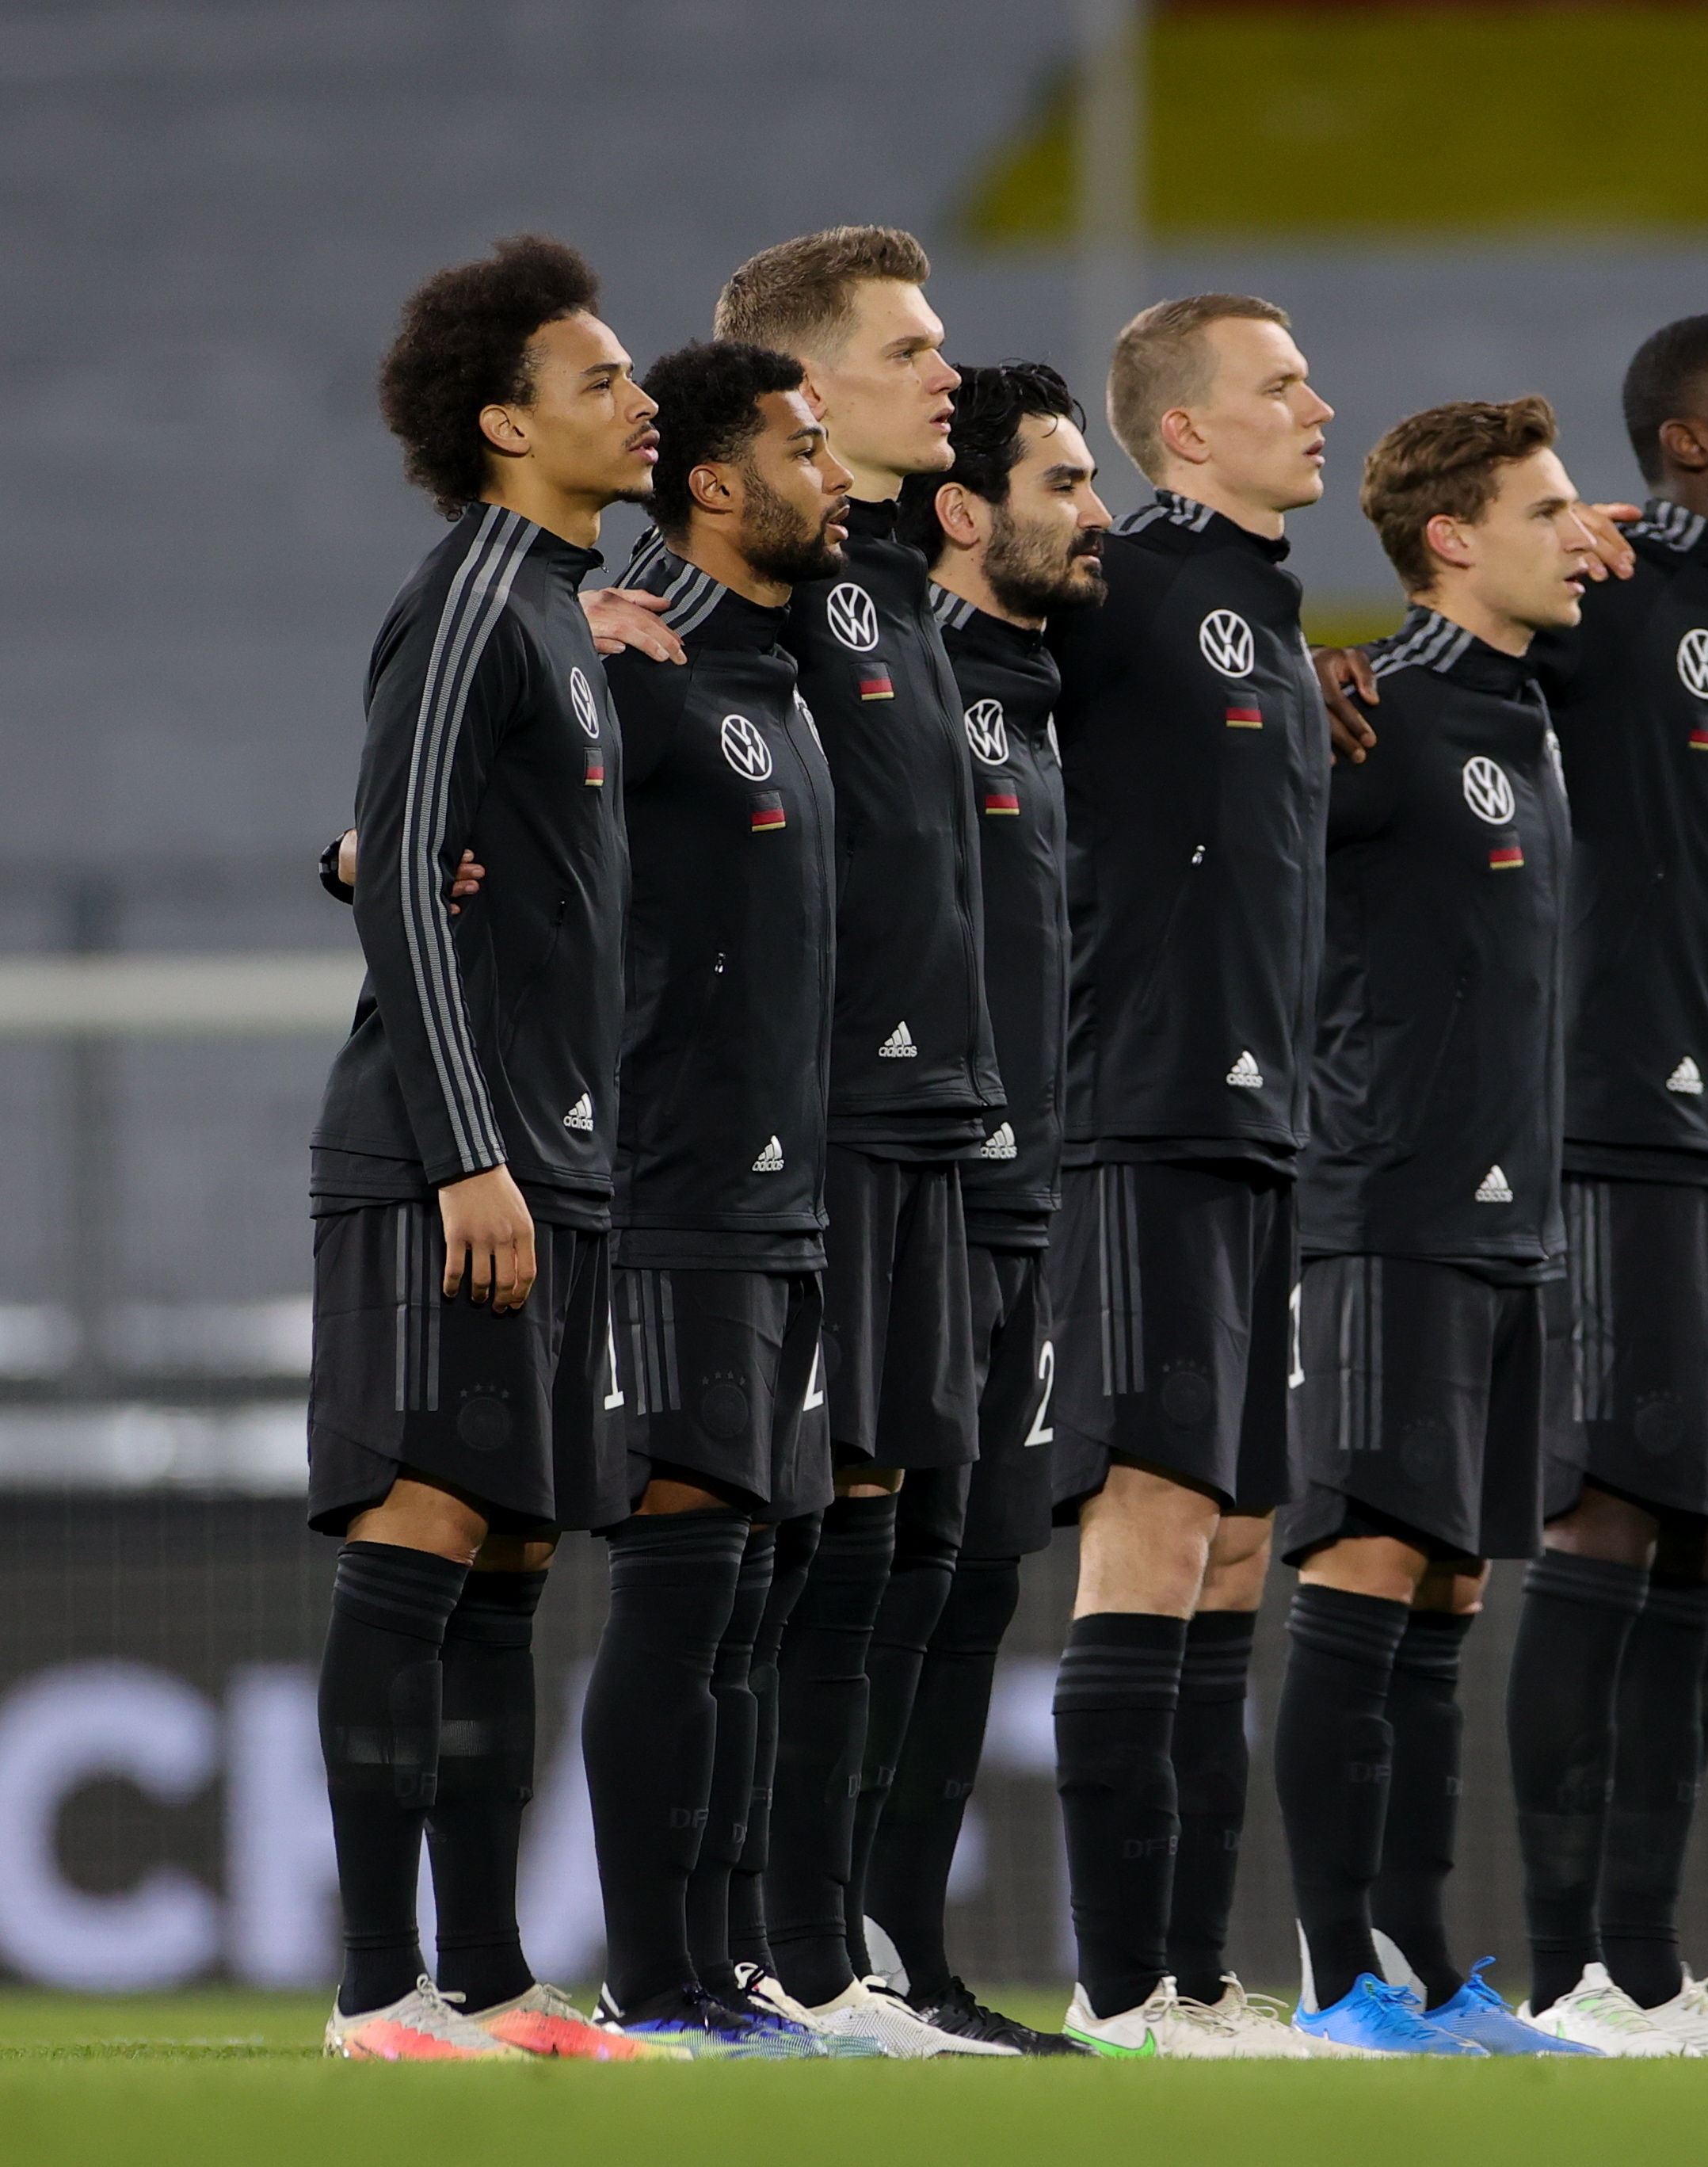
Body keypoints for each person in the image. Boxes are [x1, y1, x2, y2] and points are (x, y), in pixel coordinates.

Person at [307, 237, 653, 2061]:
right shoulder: (465, 602)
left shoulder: (562, 611)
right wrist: (465, 1152)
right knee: (424, 1528)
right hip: (447, 1160)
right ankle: (379, 1987)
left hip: (551, 1157)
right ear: (508, 423)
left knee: (512, 1562)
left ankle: (494, 1978)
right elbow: (399, 877)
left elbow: (410, 858)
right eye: (602, 380)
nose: (640, 401)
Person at [1496, 314, 1708, 2060]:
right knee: (1610, 1523)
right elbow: (1445, 650)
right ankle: (1570, 1972)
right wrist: (1343, 678)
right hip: (1624, 1125)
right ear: (1689, 442)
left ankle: (1641, 1967)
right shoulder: (1609, 592)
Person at [696, 225, 1001, 2057]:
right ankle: (755, 1955)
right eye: (908, 350)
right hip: (812, 1131)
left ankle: (833, 1959)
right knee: (786, 1552)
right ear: (806, 387)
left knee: (890, 1544)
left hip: (930, 1119)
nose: (945, 373)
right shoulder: (760, 590)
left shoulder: (892, 582)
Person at [1273, 395, 1596, 2058]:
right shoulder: (1369, 715)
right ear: (1454, 539)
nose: (1581, 537)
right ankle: (1338, 1982)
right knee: (1369, 1565)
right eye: (1548, 513)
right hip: (1386, 1206)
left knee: (1451, 1594)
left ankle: (1423, 1963)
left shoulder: (1530, 716)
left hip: (1509, 1217)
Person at [1041, 295, 1336, 2058]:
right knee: (1149, 1533)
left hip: (1257, 1132)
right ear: (1185, 434)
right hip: (1142, 1115)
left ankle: (1195, 1977)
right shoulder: (1121, 589)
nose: (1319, 406)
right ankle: (1120, 1982)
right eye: (1280, 385)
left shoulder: (1272, 619)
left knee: (1230, 1552)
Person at [585, 339, 851, 2055]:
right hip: (672, 1193)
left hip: (786, 1198)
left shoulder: (772, 670)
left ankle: (728, 1969)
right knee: (684, 1590)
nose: (835, 476)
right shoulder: (629, 662)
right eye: (804, 447)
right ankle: (653, 1982)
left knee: (753, 1601)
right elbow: (436, 825)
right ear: (713, 482)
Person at [875, 359, 1110, 2054]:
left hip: (1027, 1207)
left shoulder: (1040, 689)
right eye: (1063, 484)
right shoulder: (895, 672)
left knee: (970, 1591)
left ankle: (906, 1956)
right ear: (963, 511)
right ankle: (789, 1949)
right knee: (869, 1584)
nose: (1097, 517)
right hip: (914, 1198)